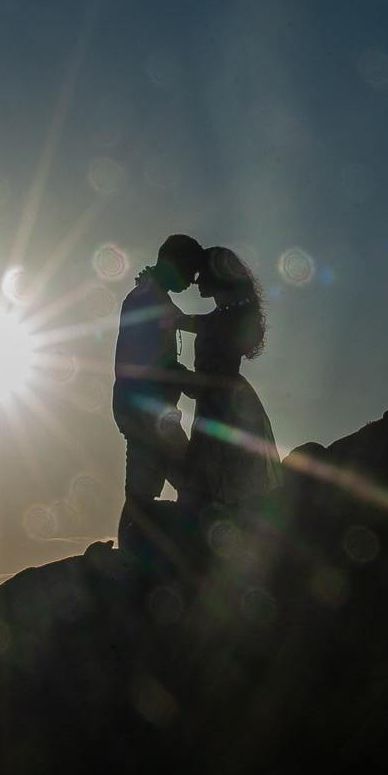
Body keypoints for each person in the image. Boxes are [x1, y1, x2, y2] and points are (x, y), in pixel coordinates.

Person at [176, 246, 283, 516]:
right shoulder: (228, 314)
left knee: (214, 480)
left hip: (223, 404)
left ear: (216, 275)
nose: (197, 281)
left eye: (202, 274)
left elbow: (186, 323)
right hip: (222, 400)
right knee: (214, 481)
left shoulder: (226, 318)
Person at [112, 234, 201, 554]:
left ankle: (135, 555)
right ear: (174, 264)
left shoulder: (151, 296)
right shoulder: (147, 298)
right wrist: (192, 381)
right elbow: (146, 362)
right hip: (145, 410)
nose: (193, 281)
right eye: (191, 271)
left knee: (152, 486)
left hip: (148, 409)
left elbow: (181, 322)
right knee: (163, 486)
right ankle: (132, 559)